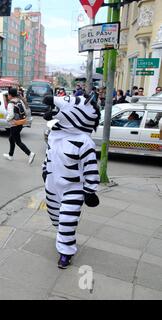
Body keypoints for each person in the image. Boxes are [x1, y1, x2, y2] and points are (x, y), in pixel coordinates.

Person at [42, 93, 100, 269]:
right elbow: (48, 156)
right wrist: (45, 171)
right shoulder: (55, 134)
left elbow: (90, 168)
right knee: (56, 218)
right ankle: (62, 236)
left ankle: (66, 252)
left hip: (73, 188)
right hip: (52, 185)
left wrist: (90, 191)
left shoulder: (84, 142)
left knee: (67, 220)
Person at [3, 88, 35, 164]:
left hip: (15, 124)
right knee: (11, 139)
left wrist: (7, 120)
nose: (7, 96)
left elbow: (11, 115)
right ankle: (10, 155)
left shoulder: (11, 103)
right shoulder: (19, 100)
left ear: (10, 95)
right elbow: (25, 111)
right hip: (20, 123)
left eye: (8, 94)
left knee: (18, 141)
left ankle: (30, 154)